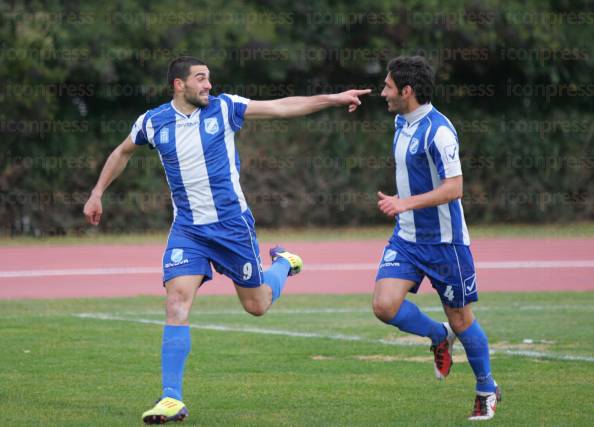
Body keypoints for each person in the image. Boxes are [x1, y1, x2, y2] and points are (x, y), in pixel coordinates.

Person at [83, 56, 370, 424]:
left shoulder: (225, 108)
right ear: (178, 85)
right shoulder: (153, 122)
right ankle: (171, 398)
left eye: (209, 79)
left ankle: (284, 263)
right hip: (188, 230)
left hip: (232, 228)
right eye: (200, 79)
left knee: (257, 305)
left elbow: (282, 108)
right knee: (176, 302)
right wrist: (97, 192)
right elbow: (122, 151)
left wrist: (332, 98)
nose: (208, 85)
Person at [373, 56, 501, 421]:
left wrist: (404, 203)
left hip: (446, 244)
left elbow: (455, 188)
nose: (384, 92)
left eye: (389, 87)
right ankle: (438, 337)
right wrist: (404, 211)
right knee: (384, 306)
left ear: (407, 91)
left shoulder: (439, 131)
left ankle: (486, 389)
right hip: (407, 239)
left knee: (462, 319)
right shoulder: (400, 121)